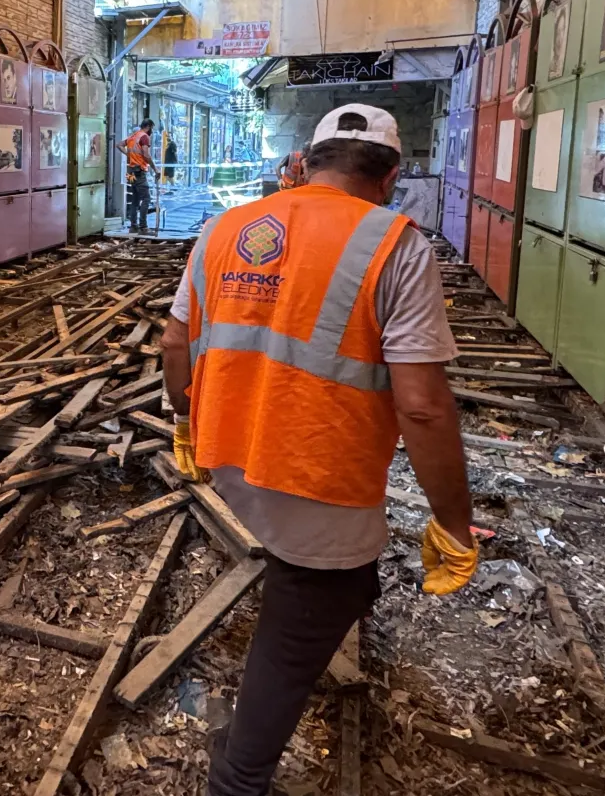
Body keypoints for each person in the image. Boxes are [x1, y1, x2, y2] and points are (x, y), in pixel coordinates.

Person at [161, 104, 478, 796]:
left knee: (331, 579)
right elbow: (422, 405)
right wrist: (454, 522)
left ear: (304, 164)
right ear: (391, 176)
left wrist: (184, 420)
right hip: (315, 466)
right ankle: (237, 781)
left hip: (228, 448)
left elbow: (173, 342)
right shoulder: (396, 244)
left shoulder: (223, 229)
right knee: (313, 603)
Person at [123, 118, 158, 232]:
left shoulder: (133, 136)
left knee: (135, 199)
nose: (151, 131)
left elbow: (119, 145)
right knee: (146, 198)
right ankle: (143, 227)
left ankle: (133, 227)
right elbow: (146, 155)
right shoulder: (144, 137)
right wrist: (155, 169)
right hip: (139, 171)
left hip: (131, 171)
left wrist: (129, 155)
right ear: (148, 126)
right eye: (151, 128)